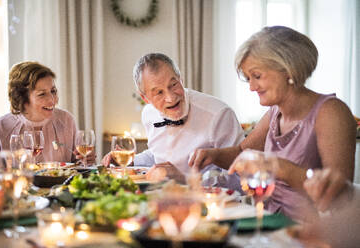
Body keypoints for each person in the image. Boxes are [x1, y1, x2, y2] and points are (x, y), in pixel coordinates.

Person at [189, 26, 357, 220]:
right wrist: (213, 155)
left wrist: (278, 167)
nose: (251, 87)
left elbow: (339, 193)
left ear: (288, 69)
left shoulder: (330, 112)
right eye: (248, 78)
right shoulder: (275, 112)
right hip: (268, 223)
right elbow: (242, 153)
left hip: (310, 232)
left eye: (257, 76)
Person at [102, 53, 245, 189]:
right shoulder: (148, 114)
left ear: (181, 79)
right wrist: (129, 161)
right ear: (145, 98)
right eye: (159, 92)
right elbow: (158, 153)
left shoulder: (218, 114)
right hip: (163, 198)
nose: (171, 98)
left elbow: (241, 179)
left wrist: (185, 179)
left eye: (173, 85)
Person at [0, 61, 94, 166]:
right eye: (42, 94)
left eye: (53, 91)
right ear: (22, 98)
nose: (52, 100)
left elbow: (78, 166)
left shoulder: (66, 120)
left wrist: (85, 161)